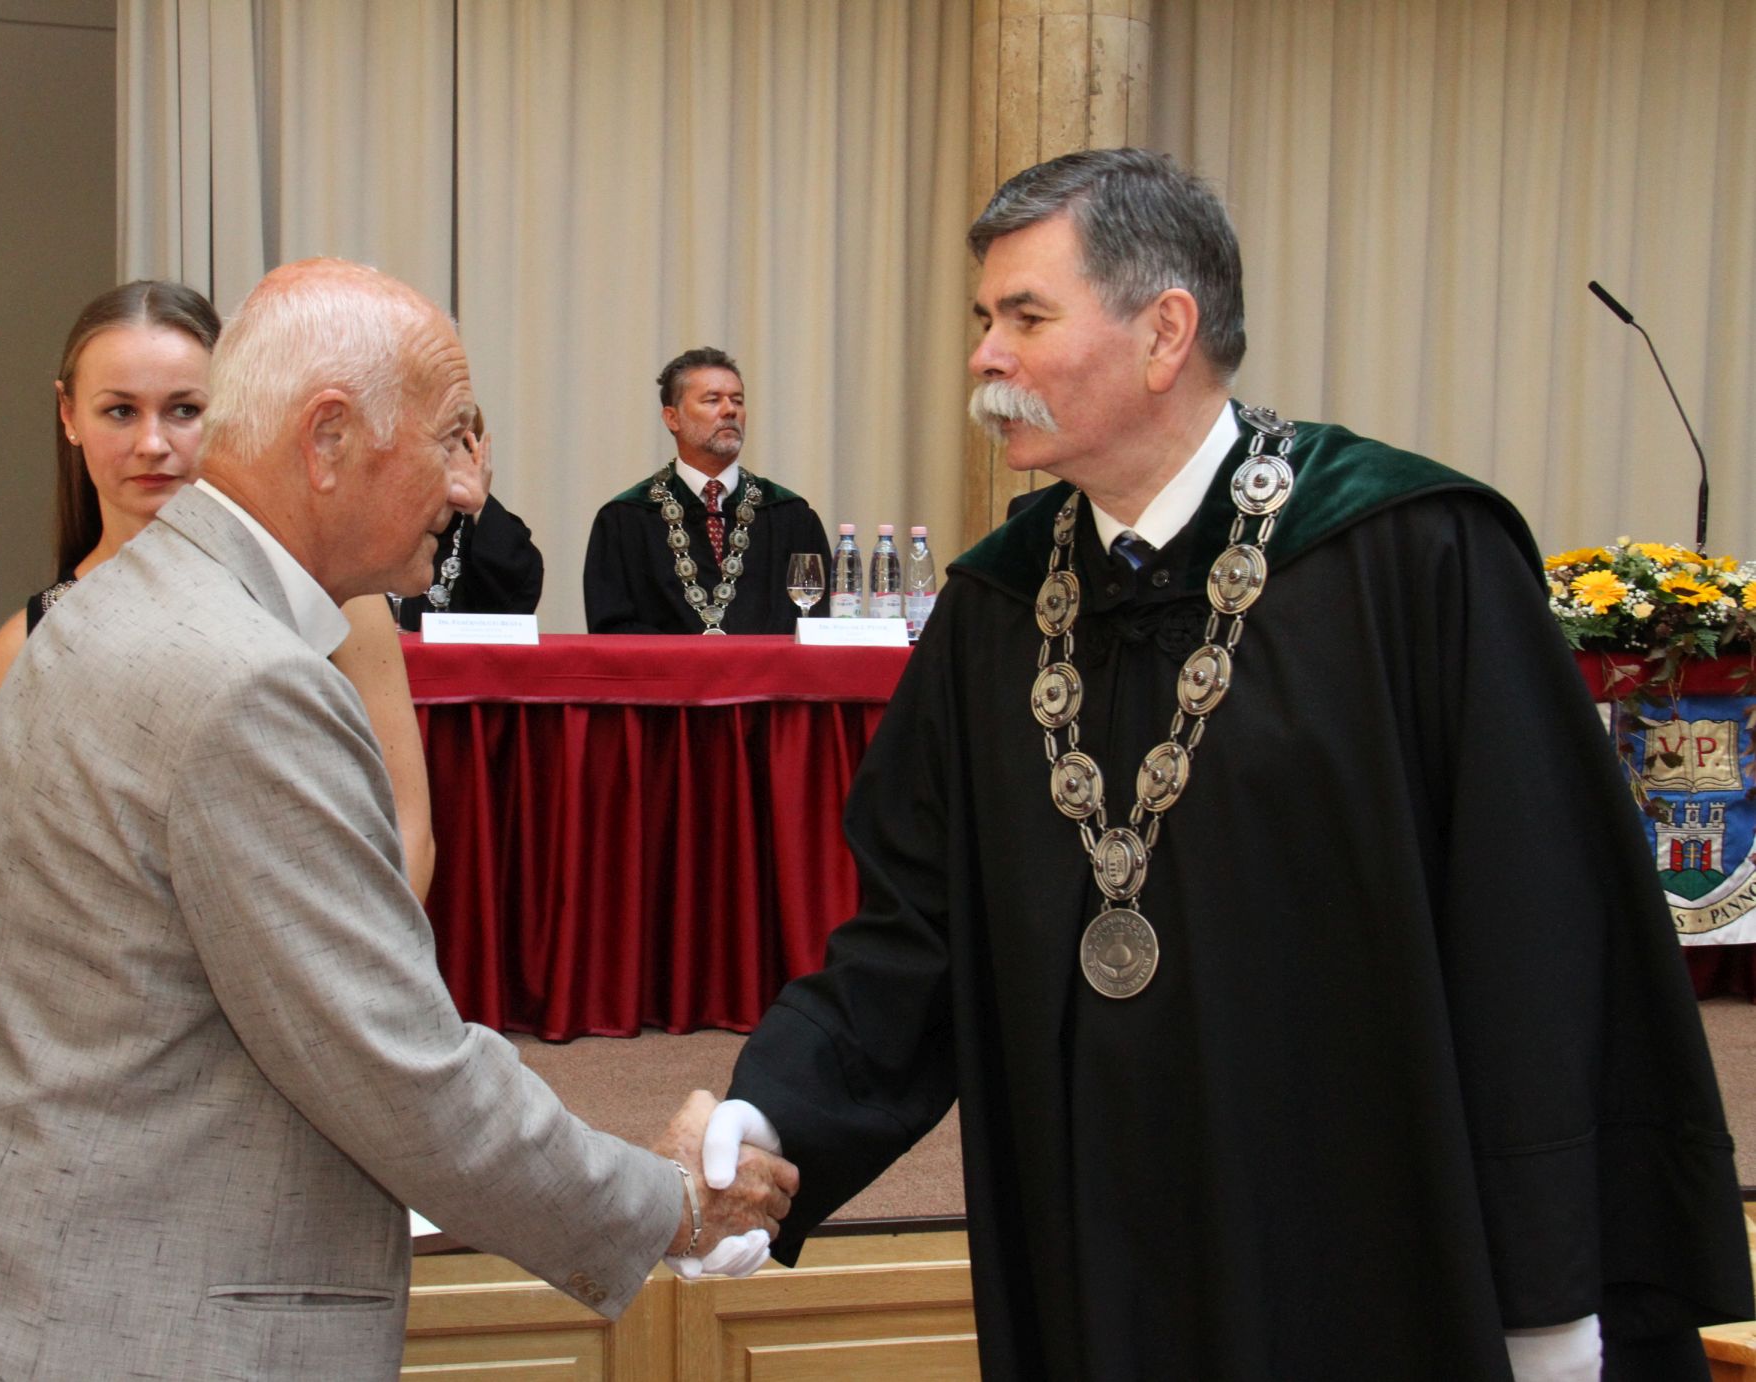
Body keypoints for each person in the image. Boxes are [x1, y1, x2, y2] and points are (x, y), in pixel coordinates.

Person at [691, 150, 1752, 1378]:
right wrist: (772, 1115)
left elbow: (1540, 943)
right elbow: (913, 934)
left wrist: (1553, 1291)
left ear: (1164, 332)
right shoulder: (995, 609)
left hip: (1366, 1246)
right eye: (983, 320)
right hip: (1095, 1241)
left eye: (1024, 317)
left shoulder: (1410, 556)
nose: (983, 356)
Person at [0, 260, 798, 1382]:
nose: (467, 489)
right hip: (120, 1317)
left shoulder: (124, 602)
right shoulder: (247, 682)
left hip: (18, 1264)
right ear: (328, 438)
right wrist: (670, 1202)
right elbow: (399, 1074)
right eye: (448, 439)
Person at [0, 280, 439, 898]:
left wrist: (355, 950)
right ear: (69, 415)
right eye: (120, 411)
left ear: (230, 412)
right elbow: (39, 876)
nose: (152, 444)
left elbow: (406, 825)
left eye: (184, 410)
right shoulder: (27, 646)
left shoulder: (341, 601)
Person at [583, 347, 832, 634]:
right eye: (712, 400)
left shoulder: (790, 516)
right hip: (667, 666)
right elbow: (612, 630)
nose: (730, 410)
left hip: (769, 665)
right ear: (672, 418)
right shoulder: (625, 519)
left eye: (737, 400)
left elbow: (818, 622)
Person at [394, 405, 546, 631]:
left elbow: (517, 597)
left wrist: (480, 503)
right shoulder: (367, 518)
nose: (450, 459)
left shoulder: (484, 529)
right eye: (440, 443)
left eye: (463, 446)